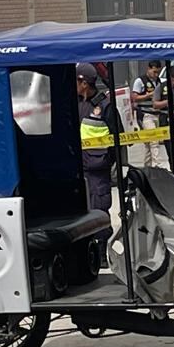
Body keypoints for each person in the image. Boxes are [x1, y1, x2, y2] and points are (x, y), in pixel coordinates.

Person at [77, 62, 120, 263]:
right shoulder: (74, 103)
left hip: (97, 169)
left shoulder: (105, 105)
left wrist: (108, 161)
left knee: (100, 208)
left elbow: (118, 137)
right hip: (79, 168)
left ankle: (103, 251)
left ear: (84, 83)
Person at [131, 60, 163, 168]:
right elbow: (134, 98)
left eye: (158, 72)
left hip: (157, 115)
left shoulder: (158, 81)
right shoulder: (140, 81)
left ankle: (148, 168)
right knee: (154, 140)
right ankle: (157, 166)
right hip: (145, 115)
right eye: (154, 72)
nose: (156, 75)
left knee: (148, 143)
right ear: (149, 69)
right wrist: (149, 95)